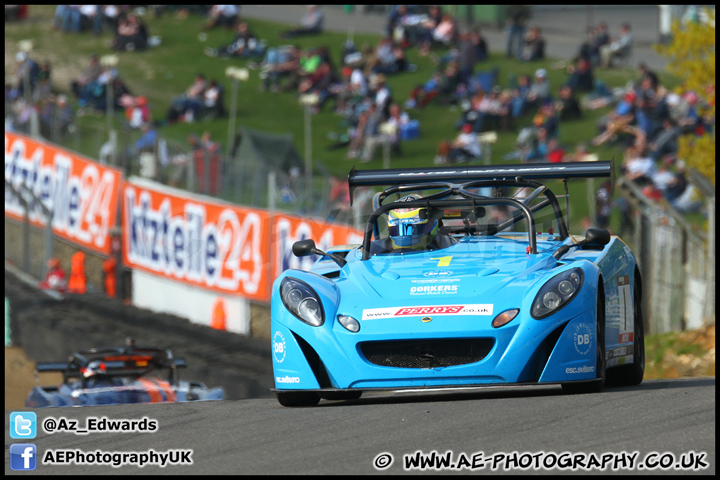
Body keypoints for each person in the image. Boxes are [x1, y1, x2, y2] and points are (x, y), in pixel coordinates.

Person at [382, 194, 455, 252]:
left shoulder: (451, 249)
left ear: (431, 225)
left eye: (412, 230)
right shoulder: (381, 255)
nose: (406, 238)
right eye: (399, 230)